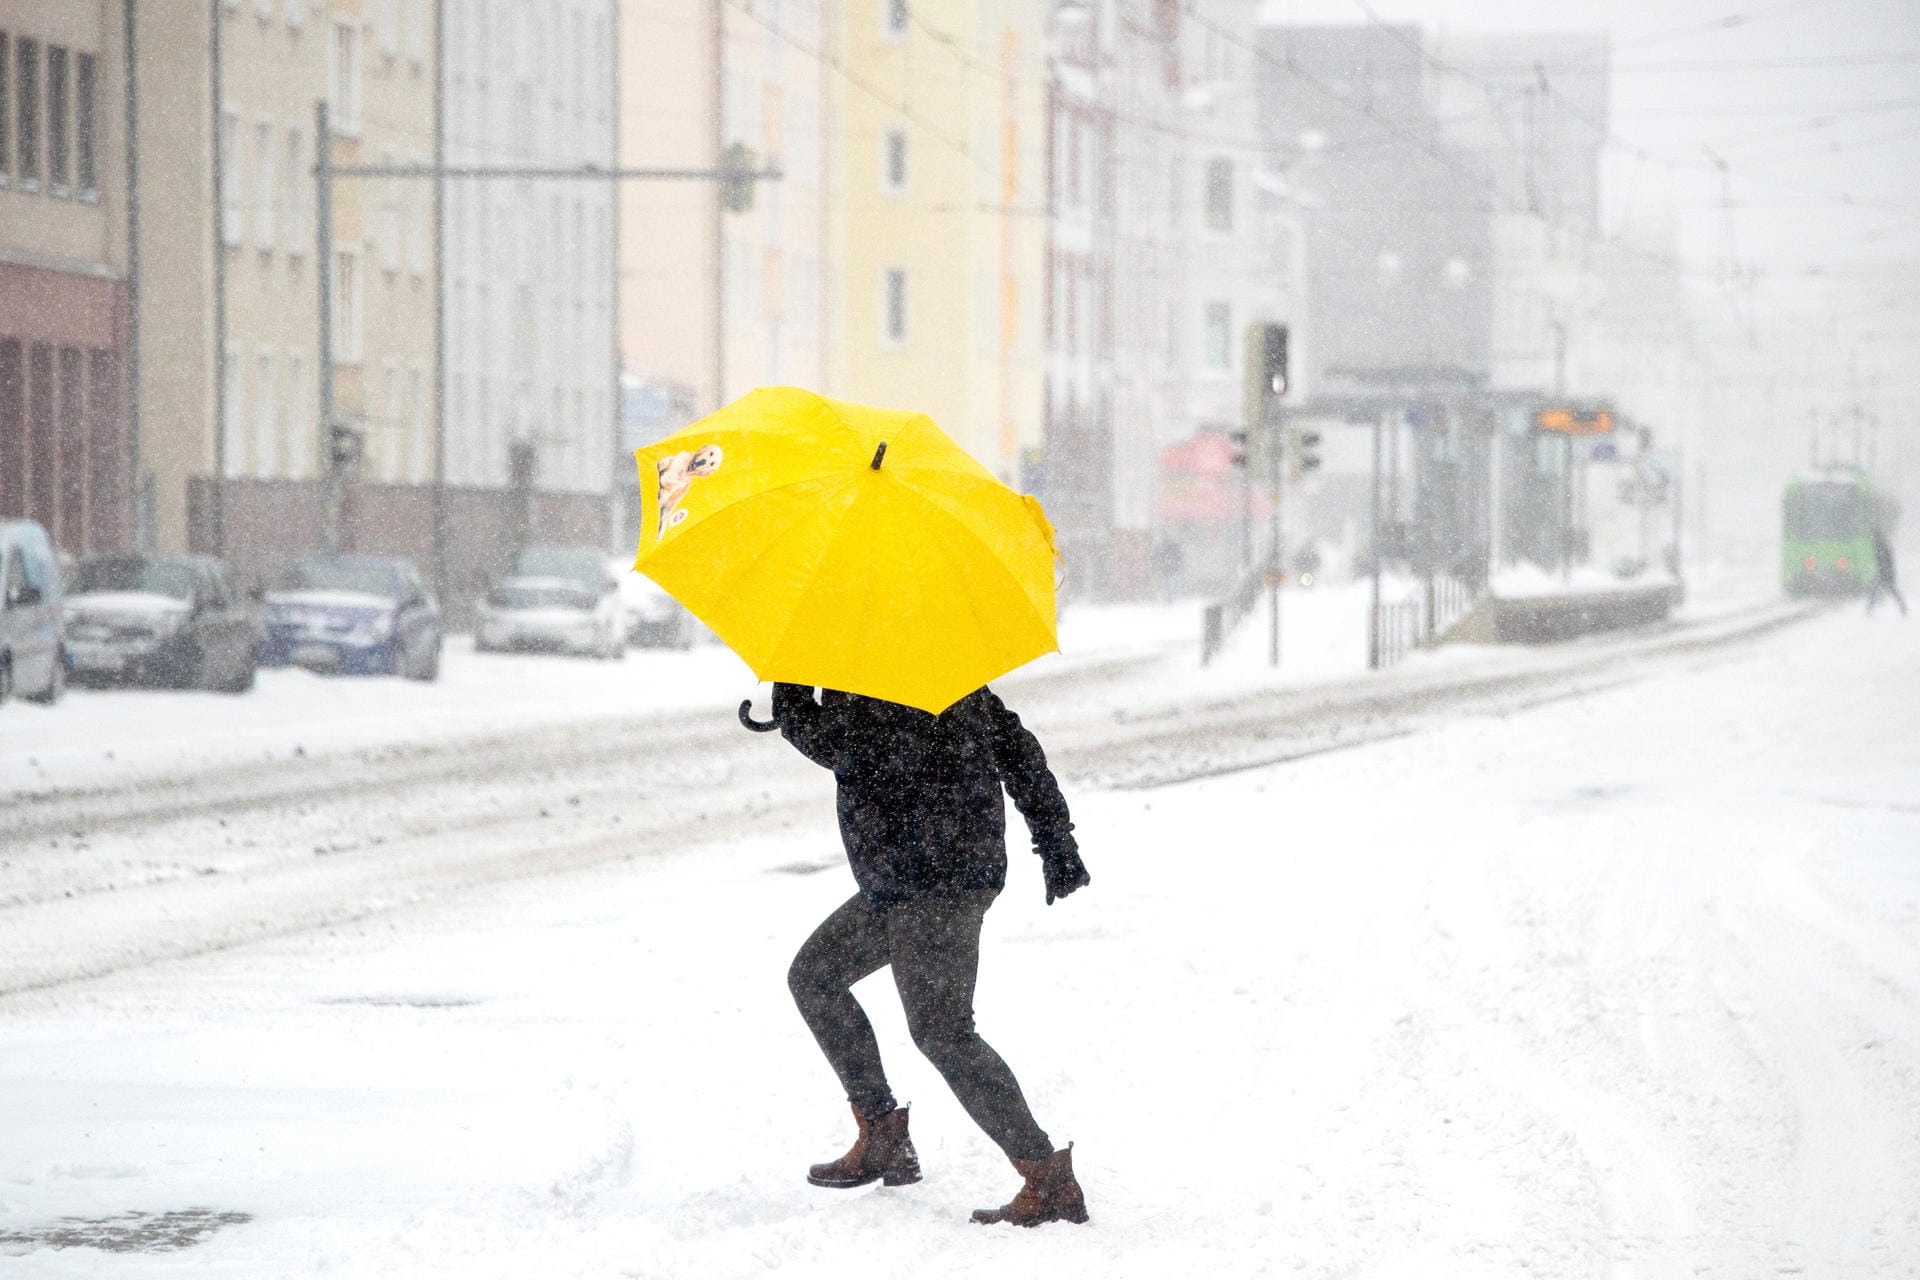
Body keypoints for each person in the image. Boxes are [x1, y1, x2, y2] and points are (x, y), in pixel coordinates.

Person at [765, 681, 1092, 1228]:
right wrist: (1055, 837)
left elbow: (842, 747)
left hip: (935, 880)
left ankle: (1046, 1176)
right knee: (816, 975)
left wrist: (792, 699)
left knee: (943, 1031)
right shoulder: (940, 667)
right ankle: (882, 1133)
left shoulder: (881, 677)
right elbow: (1016, 746)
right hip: (905, 880)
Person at [1869, 527, 1907, 616]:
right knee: (1889, 591)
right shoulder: (1882, 547)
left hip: (1885, 573)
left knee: (1881, 590)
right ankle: (1902, 607)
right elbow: (1888, 561)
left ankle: (1870, 609)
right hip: (1885, 573)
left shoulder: (1881, 547)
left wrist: (1885, 572)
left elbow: (1885, 561)